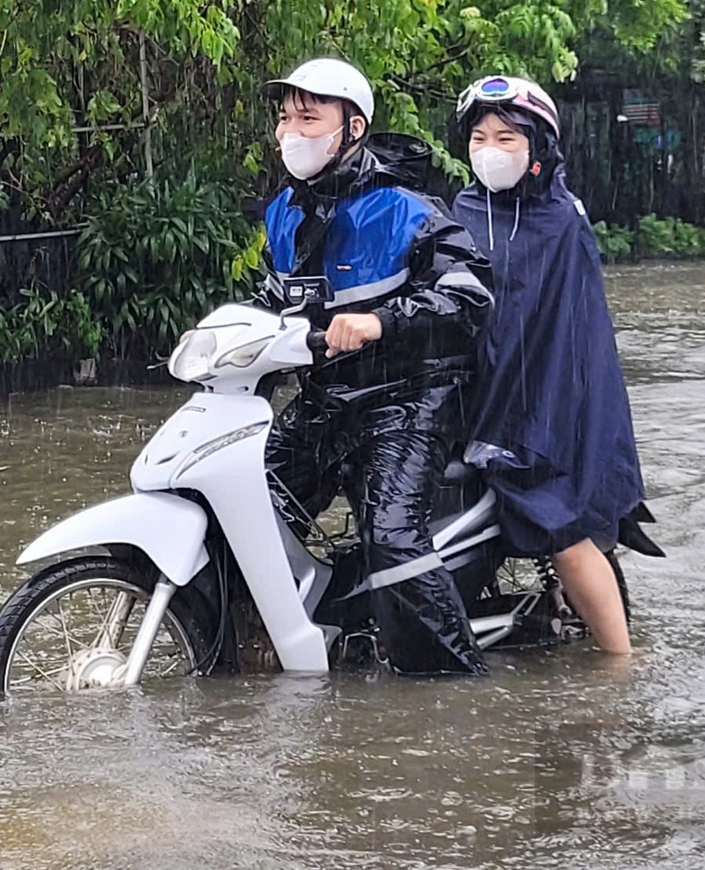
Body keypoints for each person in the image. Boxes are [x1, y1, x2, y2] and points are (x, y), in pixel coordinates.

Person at [255, 58, 496, 677]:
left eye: (309, 117)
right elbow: (273, 301)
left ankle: (453, 689)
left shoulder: (406, 207)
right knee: (253, 510)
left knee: (390, 536)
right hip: (327, 400)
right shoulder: (283, 211)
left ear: (353, 127)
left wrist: (381, 321)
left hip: (411, 400)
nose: (292, 131)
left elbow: (469, 295)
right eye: (285, 117)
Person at [449, 75, 655, 656]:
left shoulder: (562, 220)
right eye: (480, 137)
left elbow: (569, 337)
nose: (490, 150)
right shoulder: (461, 211)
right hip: (478, 395)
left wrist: (530, 421)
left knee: (563, 531)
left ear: (537, 148)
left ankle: (620, 667)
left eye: (507, 138)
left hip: (555, 406)